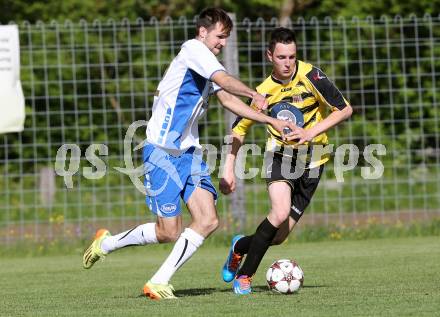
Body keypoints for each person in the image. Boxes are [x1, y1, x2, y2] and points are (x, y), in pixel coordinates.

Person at [82, 8, 295, 300]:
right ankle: (106, 244)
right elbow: (226, 81)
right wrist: (255, 94)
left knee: (208, 219)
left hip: (190, 154)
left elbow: (227, 99)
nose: (222, 43)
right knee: (168, 231)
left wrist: (270, 120)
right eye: (220, 36)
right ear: (203, 32)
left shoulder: (207, 63)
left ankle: (158, 281)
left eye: (226, 38)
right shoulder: (193, 50)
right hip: (161, 153)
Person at [219, 27, 353, 295]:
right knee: (278, 212)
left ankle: (240, 246)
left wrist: (310, 132)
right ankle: (244, 276)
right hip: (279, 156)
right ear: (270, 55)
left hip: (315, 160)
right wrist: (228, 167)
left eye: (292, 56)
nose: (288, 63)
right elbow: (238, 129)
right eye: (281, 57)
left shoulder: (311, 75)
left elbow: (345, 108)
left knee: (278, 237)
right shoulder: (263, 92)